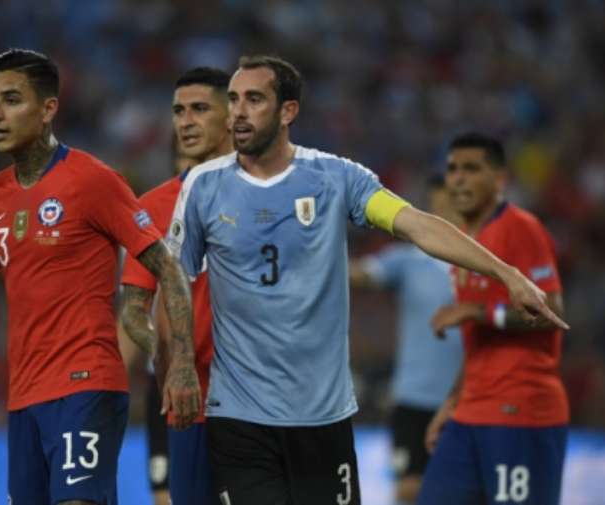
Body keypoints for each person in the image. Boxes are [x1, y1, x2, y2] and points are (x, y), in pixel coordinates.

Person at [165, 55, 567, 505]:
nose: (238, 112)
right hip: (239, 418)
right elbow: (177, 277)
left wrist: (506, 272)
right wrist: (181, 361)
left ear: (287, 112)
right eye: (234, 99)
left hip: (323, 417)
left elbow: (416, 224)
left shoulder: (337, 178)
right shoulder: (202, 186)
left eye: (254, 99)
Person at [0, 48, 201, 505]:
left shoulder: (92, 181)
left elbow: (168, 267)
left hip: (88, 384)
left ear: (47, 110)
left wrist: (179, 360)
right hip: (24, 398)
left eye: (12, 100)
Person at [417, 133, 569, 505]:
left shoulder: (520, 227)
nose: (459, 179)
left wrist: (477, 311)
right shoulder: (467, 242)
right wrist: (453, 401)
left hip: (521, 409)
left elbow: (554, 312)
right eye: (453, 169)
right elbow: (478, 342)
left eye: (472, 169)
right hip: (472, 409)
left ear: (500, 179)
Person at [119, 66, 233, 505]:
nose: (184, 120)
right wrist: (162, 351)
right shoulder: (152, 207)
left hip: (260, 401)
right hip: (190, 404)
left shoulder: (265, 193)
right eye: (178, 111)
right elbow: (133, 308)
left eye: (199, 109)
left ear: (231, 116)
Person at [349, 174, 464, 504]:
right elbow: (364, 273)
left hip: (464, 398)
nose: (443, 205)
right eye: (437, 198)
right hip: (413, 399)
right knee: (409, 491)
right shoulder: (408, 260)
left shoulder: (481, 261)